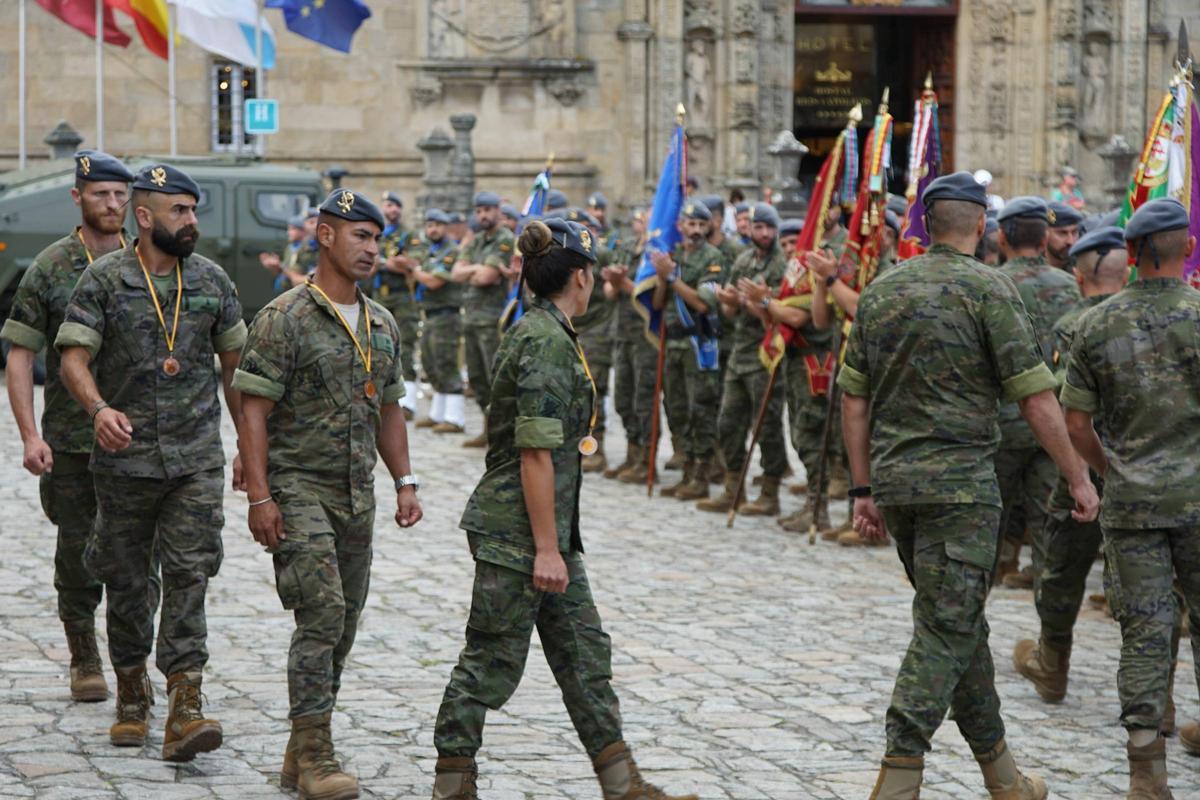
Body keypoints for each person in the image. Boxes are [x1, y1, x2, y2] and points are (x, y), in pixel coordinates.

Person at [838, 172, 1098, 799]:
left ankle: (1003, 777)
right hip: (960, 491)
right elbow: (1035, 395)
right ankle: (899, 775)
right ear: (982, 225)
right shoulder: (989, 288)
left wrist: (862, 489)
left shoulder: (880, 291)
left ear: (925, 224)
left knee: (957, 624)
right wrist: (1076, 473)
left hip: (898, 489)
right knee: (945, 629)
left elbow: (853, 399)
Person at [430, 219, 697, 800]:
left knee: (583, 653)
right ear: (582, 275)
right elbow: (534, 452)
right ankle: (452, 783)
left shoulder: (550, 330)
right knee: (491, 660)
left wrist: (557, 544)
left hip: (549, 530)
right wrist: (547, 549)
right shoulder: (546, 340)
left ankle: (623, 783)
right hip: (519, 532)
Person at [235, 188, 423, 800]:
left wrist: (404, 482)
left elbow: (389, 408)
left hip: (355, 492)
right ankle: (316, 755)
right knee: (321, 614)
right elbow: (253, 411)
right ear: (324, 235)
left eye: (376, 238)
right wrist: (260, 497)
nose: (372, 248)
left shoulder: (382, 322)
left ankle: (299, 749)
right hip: (297, 485)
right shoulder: (285, 317)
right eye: (359, 236)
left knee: (344, 624)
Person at [55, 163, 247, 761]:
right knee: (127, 580)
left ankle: (185, 701)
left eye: (193, 210)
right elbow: (72, 359)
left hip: (195, 460)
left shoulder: (212, 280)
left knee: (191, 572)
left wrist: (250, 449)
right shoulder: (105, 281)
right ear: (145, 216)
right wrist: (98, 409)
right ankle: (132, 687)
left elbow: (237, 370)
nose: (191, 221)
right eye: (179, 211)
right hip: (124, 460)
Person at [0, 150, 152, 704]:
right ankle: (84, 652)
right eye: (101, 195)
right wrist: (30, 436)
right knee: (79, 553)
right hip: (71, 440)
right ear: (77, 197)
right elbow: (20, 355)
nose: (112, 205)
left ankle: (133, 662)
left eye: (120, 195)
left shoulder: (148, 264)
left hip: (141, 441)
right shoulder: (52, 265)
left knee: (141, 558)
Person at [1060, 198, 1200, 797]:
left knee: (1144, 631)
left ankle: (1147, 773)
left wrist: (1109, 469)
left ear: (1133, 255)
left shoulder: (1094, 323)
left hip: (1132, 503)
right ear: (1187, 249)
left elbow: (1074, 424)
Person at [1012, 226, 1152, 702]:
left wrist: (1077, 472)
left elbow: (1065, 406)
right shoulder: (1153, 314)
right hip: (1152, 466)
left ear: (1078, 274)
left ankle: (1052, 661)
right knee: (1153, 584)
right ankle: (1165, 701)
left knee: (1063, 563)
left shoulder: (1075, 324)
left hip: (1089, 462)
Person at [991, 198, 1081, 589]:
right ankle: (1049, 606)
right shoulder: (1069, 286)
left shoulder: (990, 283)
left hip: (1001, 422)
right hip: (1053, 423)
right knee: (1047, 521)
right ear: (1045, 238)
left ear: (1001, 237)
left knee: (989, 518)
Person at [697, 203, 789, 517]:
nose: (763, 234)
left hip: (766, 354)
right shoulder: (743, 260)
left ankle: (770, 490)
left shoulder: (783, 263)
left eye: (768, 228)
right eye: (758, 227)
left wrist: (755, 301)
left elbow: (777, 314)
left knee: (767, 425)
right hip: (740, 352)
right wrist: (730, 302)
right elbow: (729, 312)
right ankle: (733, 487)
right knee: (728, 421)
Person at [752, 218, 838, 535]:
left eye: (794, 243)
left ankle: (819, 509)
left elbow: (796, 317)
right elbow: (774, 322)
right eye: (786, 244)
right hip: (794, 364)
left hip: (812, 363)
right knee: (800, 437)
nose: (790, 249)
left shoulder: (808, 281)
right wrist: (764, 304)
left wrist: (766, 301)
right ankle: (813, 505)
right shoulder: (792, 280)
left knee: (812, 438)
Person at [652, 202, 726, 500]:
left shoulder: (714, 258)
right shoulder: (674, 256)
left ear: (708, 228)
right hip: (674, 345)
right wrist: (661, 278)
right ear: (680, 226)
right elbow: (658, 304)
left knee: (701, 410)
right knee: (677, 408)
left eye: (701, 225)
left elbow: (703, 303)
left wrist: (673, 278)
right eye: (690, 224)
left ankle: (702, 475)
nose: (695, 230)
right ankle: (686, 471)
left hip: (699, 343)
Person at [451, 191, 516, 447]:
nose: (483, 215)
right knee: (477, 378)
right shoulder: (477, 241)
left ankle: (502, 432)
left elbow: (486, 277)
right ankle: (488, 427)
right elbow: (455, 273)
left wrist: (474, 271)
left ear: (498, 211)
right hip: (472, 317)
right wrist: (475, 270)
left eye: (487, 210)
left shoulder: (504, 240)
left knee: (495, 377)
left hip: (493, 319)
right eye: (479, 211)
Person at [602, 208, 656, 483]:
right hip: (621, 332)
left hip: (645, 336)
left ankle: (647, 460)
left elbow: (652, 296)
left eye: (646, 218)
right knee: (623, 398)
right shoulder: (626, 249)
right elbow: (609, 292)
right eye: (639, 219)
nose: (641, 223)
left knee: (643, 400)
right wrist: (615, 282)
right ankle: (632, 453)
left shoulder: (656, 253)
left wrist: (623, 283)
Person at [413, 209, 467, 433]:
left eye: (437, 225)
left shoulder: (451, 251)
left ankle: (455, 418)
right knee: (430, 362)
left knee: (446, 363)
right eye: (429, 225)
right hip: (430, 313)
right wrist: (419, 272)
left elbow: (435, 282)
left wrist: (413, 270)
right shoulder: (429, 251)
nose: (432, 229)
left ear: (446, 228)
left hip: (447, 314)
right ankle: (438, 413)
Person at [372, 191, 420, 418]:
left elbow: (411, 264)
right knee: (378, 345)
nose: (391, 209)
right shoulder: (377, 235)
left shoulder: (408, 235)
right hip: (380, 296)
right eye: (387, 205)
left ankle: (408, 403)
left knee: (406, 347)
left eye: (395, 205)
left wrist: (387, 263)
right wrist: (387, 262)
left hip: (402, 297)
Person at [259, 213, 308, 295]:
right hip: (285, 290)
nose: (288, 232)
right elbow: (284, 272)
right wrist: (275, 268)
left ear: (303, 231)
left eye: (292, 229)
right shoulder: (290, 248)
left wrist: (280, 265)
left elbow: (297, 274)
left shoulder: (306, 249)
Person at [1045, 201, 1084, 272]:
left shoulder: (1083, 269)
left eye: (1074, 232)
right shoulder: (1030, 269)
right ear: (1045, 234)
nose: (1071, 241)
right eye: (1062, 233)